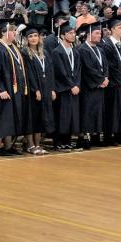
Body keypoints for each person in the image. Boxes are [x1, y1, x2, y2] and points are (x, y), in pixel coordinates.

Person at [0, 20, 26, 156]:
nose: (15, 33)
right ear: (4, 33)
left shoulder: (14, 48)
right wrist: (0, 89)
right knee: (1, 119)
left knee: (10, 119)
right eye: (13, 31)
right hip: (1, 92)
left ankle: (8, 146)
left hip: (14, 91)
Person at [21, 26, 53, 155]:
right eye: (30, 36)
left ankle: (38, 144)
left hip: (45, 89)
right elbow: (28, 74)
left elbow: (50, 72)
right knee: (31, 118)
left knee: (41, 117)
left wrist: (52, 89)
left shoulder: (44, 52)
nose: (33, 38)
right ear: (26, 39)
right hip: (33, 92)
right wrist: (36, 90)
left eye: (35, 36)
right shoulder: (25, 53)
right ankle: (30, 145)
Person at [102, 19, 121, 145]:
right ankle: (109, 136)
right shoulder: (106, 44)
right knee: (112, 111)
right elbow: (111, 65)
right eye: (119, 27)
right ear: (112, 29)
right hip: (114, 83)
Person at [77, 22, 107, 149]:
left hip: (100, 86)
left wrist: (105, 78)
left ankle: (96, 135)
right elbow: (88, 69)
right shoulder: (83, 49)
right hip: (89, 86)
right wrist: (100, 80)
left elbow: (105, 66)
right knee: (88, 111)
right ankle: (85, 137)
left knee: (97, 111)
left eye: (100, 33)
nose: (99, 35)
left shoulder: (100, 49)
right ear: (89, 35)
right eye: (96, 33)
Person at [51, 22, 80, 151]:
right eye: (70, 33)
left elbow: (79, 70)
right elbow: (60, 72)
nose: (73, 35)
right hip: (62, 89)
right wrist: (71, 85)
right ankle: (58, 142)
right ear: (63, 35)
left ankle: (67, 141)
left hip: (74, 88)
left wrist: (77, 85)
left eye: (74, 33)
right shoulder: (57, 51)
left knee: (71, 116)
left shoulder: (75, 51)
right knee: (61, 116)